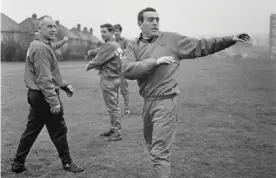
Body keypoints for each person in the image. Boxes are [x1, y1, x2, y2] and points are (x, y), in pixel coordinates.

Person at [121, 7, 250, 178]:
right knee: (152, 145)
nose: (155, 23)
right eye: (150, 19)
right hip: (148, 102)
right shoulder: (133, 46)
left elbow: (201, 45)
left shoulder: (172, 40)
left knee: (160, 151)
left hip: (166, 101)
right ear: (140, 24)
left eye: (157, 19)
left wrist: (229, 39)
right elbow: (127, 70)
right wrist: (155, 62)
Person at [11, 16, 84, 173]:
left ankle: (18, 163)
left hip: (36, 95)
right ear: (40, 29)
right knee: (58, 129)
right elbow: (44, 79)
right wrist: (54, 102)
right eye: (49, 26)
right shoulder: (41, 48)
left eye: (54, 26)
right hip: (44, 96)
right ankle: (67, 163)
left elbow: (50, 71)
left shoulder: (41, 44)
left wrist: (63, 85)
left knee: (32, 130)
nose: (53, 29)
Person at [85, 23, 123, 141]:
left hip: (109, 79)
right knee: (114, 106)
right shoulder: (114, 45)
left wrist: (88, 65)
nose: (102, 34)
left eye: (104, 32)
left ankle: (117, 133)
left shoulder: (110, 45)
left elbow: (98, 59)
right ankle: (114, 129)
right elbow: (104, 56)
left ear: (112, 32)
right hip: (115, 78)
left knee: (112, 107)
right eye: (101, 32)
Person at [113, 24, 131, 116]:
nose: (115, 33)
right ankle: (115, 110)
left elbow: (129, 52)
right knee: (113, 90)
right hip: (112, 69)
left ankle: (127, 109)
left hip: (122, 69)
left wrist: (121, 51)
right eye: (114, 31)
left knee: (124, 90)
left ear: (120, 31)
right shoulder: (111, 42)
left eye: (117, 31)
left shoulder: (125, 41)